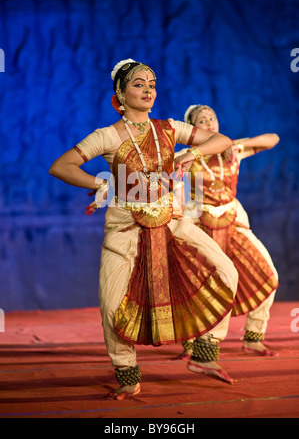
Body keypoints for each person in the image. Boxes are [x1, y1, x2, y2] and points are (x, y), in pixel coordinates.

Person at [49, 60, 239, 400]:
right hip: (126, 229)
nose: (148, 89)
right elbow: (61, 166)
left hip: (172, 222)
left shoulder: (169, 128)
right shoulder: (106, 136)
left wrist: (191, 152)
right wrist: (101, 184)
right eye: (139, 84)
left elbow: (222, 140)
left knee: (226, 271)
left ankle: (204, 352)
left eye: (152, 83)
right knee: (110, 305)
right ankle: (127, 373)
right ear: (121, 94)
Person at [174, 104, 279, 360]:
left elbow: (272, 139)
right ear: (192, 128)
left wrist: (239, 144)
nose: (209, 123)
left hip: (232, 222)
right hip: (201, 224)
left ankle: (254, 337)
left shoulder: (232, 148)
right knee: (196, 286)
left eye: (212, 118)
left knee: (269, 275)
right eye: (202, 120)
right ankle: (191, 344)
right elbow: (164, 173)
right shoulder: (188, 155)